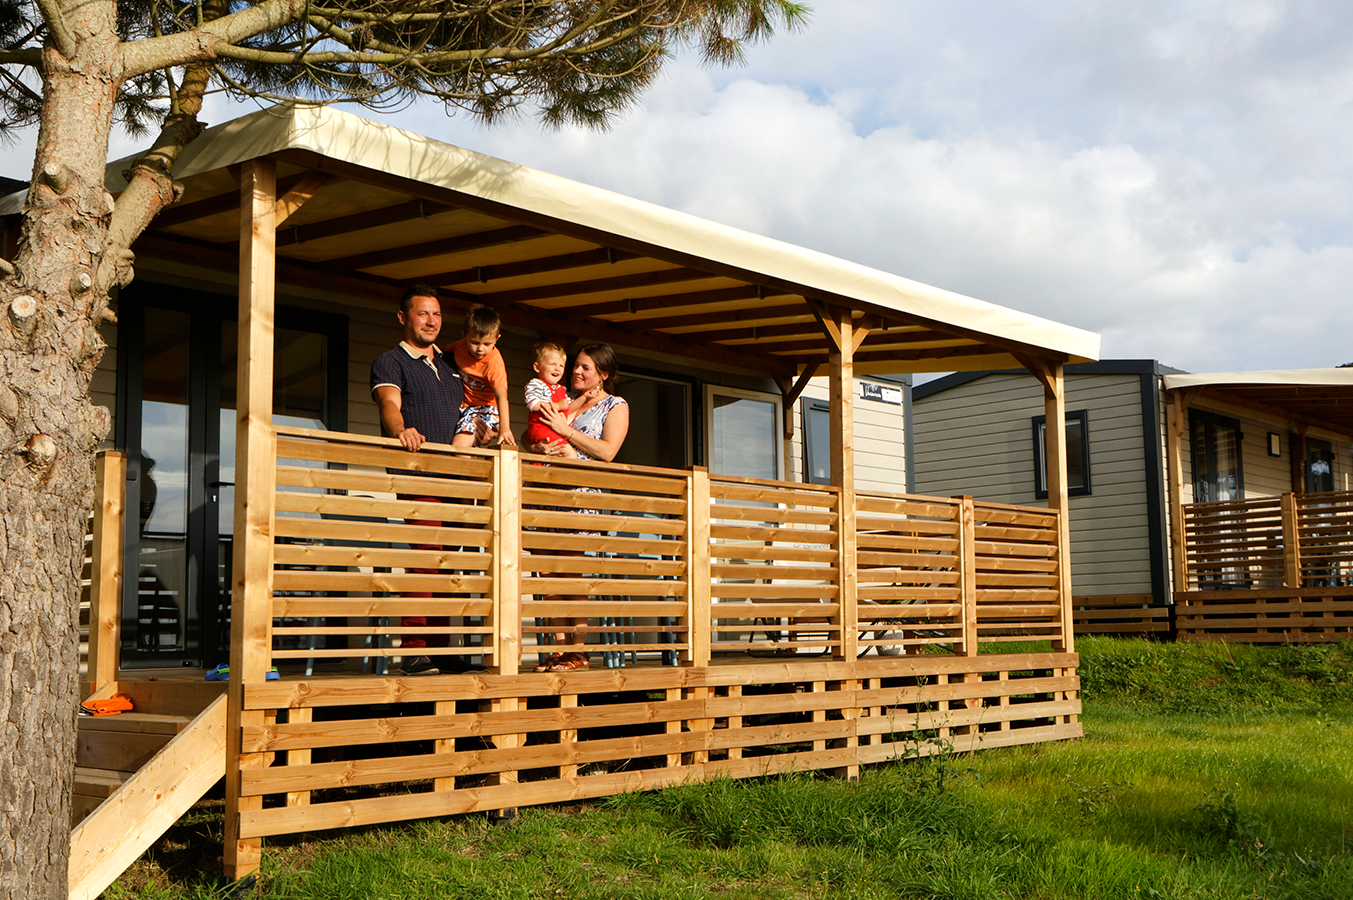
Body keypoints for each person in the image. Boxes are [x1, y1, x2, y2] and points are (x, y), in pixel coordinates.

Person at [370, 284, 486, 676]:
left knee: (448, 565)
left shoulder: (453, 364)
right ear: (404, 318)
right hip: (418, 473)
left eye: (436, 315)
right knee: (424, 562)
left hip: (456, 478)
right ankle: (416, 650)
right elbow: (389, 402)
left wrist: (480, 431)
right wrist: (402, 429)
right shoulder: (391, 361)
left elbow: (465, 414)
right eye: (423, 314)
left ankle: (440, 649)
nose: (432, 322)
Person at [529, 343, 630, 671]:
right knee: (550, 576)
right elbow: (531, 434)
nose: (576, 371)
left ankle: (580, 650)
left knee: (571, 573)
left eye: (585, 367)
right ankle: (559, 651)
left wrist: (567, 433)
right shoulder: (563, 402)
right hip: (549, 495)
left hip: (580, 497)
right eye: (576, 366)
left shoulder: (615, 405)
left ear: (603, 374)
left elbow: (608, 451)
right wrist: (538, 445)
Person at [448, 305, 515, 448]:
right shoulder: (459, 347)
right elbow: (440, 355)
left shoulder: (493, 362)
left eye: (487, 344)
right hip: (464, 406)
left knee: (460, 445)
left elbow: (502, 396)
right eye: (474, 342)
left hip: (485, 408)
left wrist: (505, 428)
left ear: (497, 339)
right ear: (464, 335)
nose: (480, 349)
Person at [523, 341, 589, 458]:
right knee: (570, 454)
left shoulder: (560, 389)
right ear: (537, 367)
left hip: (552, 430)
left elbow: (569, 406)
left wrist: (585, 397)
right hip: (541, 428)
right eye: (552, 364)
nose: (557, 368)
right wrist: (557, 406)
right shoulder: (537, 384)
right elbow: (533, 404)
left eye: (561, 365)